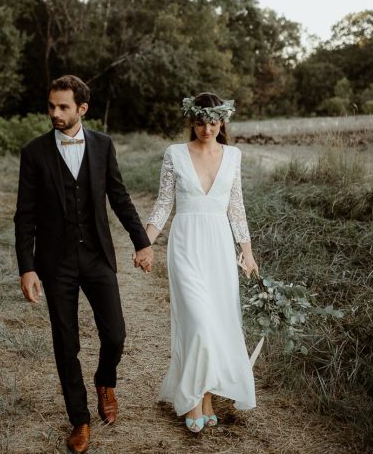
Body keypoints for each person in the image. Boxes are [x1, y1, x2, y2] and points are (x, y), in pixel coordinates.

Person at [14, 75, 154, 454]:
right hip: (55, 263)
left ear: (82, 109)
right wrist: (27, 267)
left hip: (96, 257)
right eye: (51, 106)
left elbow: (119, 197)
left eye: (62, 107)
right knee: (66, 344)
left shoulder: (103, 146)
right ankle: (79, 419)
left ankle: (105, 381)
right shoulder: (34, 152)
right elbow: (24, 216)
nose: (54, 113)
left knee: (116, 335)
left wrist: (142, 241)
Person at [145, 93, 259, 433]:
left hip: (220, 249)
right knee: (198, 323)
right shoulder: (175, 154)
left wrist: (247, 252)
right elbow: (164, 204)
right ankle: (192, 401)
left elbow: (236, 207)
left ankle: (206, 397)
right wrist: (143, 243)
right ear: (191, 121)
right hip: (186, 247)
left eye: (213, 122)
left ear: (222, 122)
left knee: (217, 324)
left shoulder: (234, 156)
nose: (206, 128)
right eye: (199, 122)